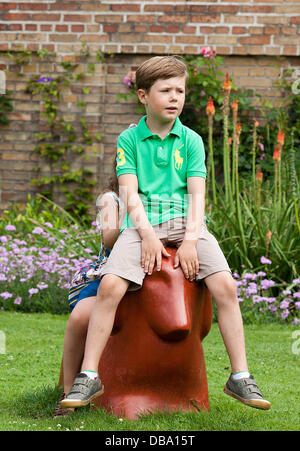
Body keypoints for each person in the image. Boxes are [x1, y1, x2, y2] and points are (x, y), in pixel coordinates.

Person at [61, 56, 270, 411]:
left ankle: (240, 376)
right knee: (111, 285)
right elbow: (128, 193)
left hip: (187, 222)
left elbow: (197, 195)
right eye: (165, 91)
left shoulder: (191, 140)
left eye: (180, 91)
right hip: (141, 225)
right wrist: (147, 235)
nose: (175, 98)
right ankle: (89, 375)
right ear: (143, 95)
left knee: (226, 287)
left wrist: (190, 240)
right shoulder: (129, 139)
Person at [54, 167, 122, 417]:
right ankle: (69, 391)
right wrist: (134, 212)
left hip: (143, 272)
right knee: (81, 317)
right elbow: (110, 239)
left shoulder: (160, 199)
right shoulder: (110, 200)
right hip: (108, 272)